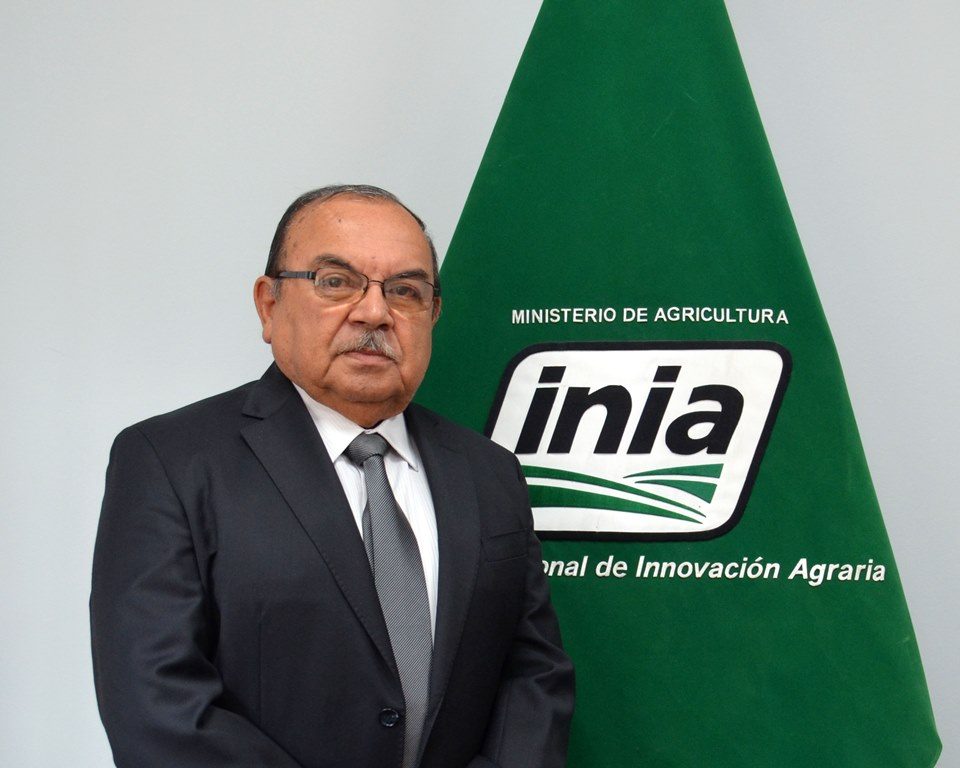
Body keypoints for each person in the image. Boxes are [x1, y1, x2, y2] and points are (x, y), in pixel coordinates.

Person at [90, 184, 575, 768]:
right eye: (336, 281)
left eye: (406, 291)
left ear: (432, 315)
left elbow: (532, 674)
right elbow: (158, 705)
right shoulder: (169, 460)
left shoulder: (488, 472)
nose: (374, 312)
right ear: (269, 305)